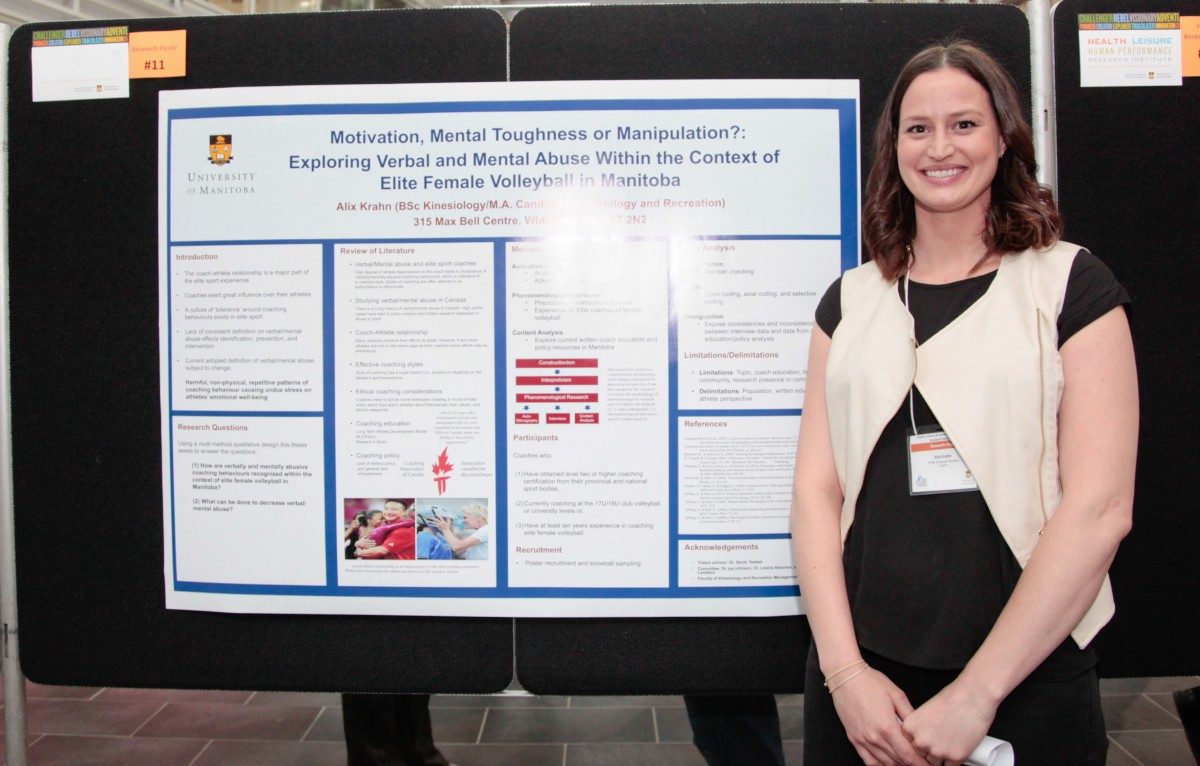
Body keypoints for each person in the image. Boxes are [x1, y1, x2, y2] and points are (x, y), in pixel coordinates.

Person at [790, 40, 1138, 766]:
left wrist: (979, 693)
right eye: (918, 128)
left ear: (1004, 138)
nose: (940, 147)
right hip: (865, 684)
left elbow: (1101, 509)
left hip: (1027, 678)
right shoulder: (849, 301)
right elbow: (816, 493)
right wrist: (845, 675)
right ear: (894, 147)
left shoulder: (1072, 288)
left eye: (964, 124)